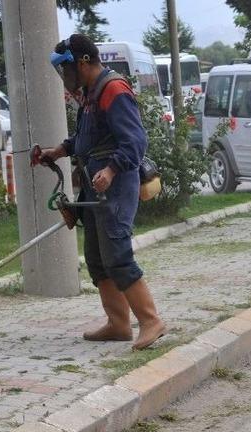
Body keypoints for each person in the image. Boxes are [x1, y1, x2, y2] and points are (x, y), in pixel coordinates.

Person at [41, 33, 167, 351]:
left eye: (66, 68)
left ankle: (151, 321)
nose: (64, 77)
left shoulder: (113, 89)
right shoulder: (90, 94)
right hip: (95, 184)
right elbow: (88, 138)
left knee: (117, 254)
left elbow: (135, 142)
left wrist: (110, 170)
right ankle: (119, 324)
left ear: (83, 62)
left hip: (116, 183)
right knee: (98, 258)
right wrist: (59, 150)